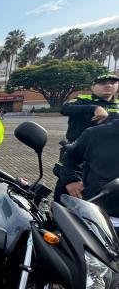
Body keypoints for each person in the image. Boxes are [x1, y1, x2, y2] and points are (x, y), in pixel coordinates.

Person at [60, 118, 119, 289]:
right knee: (98, 267)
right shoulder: (95, 133)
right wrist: (70, 177)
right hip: (101, 215)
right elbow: (71, 155)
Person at [53, 73, 119, 203]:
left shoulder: (117, 105)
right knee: (66, 195)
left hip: (106, 161)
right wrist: (94, 108)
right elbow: (65, 108)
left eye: (112, 82)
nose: (108, 85)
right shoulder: (83, 99)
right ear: (93, 87)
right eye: (103, 83)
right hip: (77, 155)